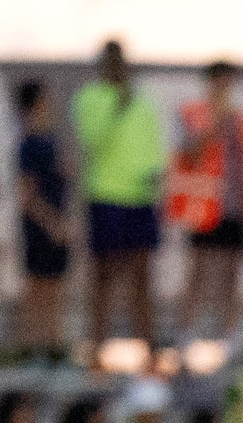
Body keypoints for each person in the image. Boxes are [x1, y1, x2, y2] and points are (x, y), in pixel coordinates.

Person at [73, 40, 164, 355]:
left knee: (142, 275)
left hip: (140, 198)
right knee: (104, 275)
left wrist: (155, 177)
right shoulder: (90, 99)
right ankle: (98, 344)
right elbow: (93, 140)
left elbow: (152, 148)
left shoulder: (143, 102)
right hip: (106, 195)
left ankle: (146, 344)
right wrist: (116, 107)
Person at [167, 62, 243, 342]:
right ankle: (185, 334)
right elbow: (188, 153)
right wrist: (215, 124)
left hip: (235, 206)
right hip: (204, 206)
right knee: (199, 272)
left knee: (231, 273)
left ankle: (228, 336)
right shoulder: (195, 113)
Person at [12, 81, 73, 360]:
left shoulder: (48, 140)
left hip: (54, 225)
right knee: (38, 288)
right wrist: (52, 224)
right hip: (42, 229)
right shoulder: (28, 144)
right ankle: (33, 349)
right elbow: (26, 193)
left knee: (55, 289)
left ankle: (52, 348)